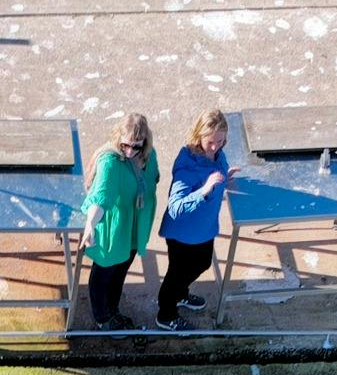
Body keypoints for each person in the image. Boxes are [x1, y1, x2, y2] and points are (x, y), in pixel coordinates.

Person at [78, 113, 160, 329]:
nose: (130, 151)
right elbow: (101, 197)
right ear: (118, 139)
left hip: (135, 227)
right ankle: (102, 318)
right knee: (104, 274)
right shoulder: (111, 162)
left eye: (136, 147)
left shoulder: (150, 157)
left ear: (145, 143)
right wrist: (90, 225)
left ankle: (113, 309)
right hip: (114, 229)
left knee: (120, 272)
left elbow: (155, 178)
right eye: (126, 145)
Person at [155, 109, 231, 331]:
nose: (216, 146)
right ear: (199, 136)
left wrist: (226, 178)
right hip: (183, 235)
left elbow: (217, 174)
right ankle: (166, 313)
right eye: (210, 142)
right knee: (177, 275)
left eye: (220, 140)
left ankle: (180, 295)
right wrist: (205, 190)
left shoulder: (218, 155)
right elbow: (176, 207)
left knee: (203, 263)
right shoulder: (187, 164)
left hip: (204, 230)